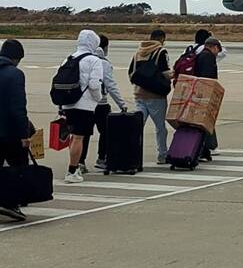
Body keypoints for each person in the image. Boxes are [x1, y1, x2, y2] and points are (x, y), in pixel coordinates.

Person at [61, 30, 104, 183]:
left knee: (73, 137)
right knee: (79, 138)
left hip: (67, 103)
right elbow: (94, 85)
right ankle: (72, 170)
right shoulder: (94, 60)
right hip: (84, 105)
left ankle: (74, 166)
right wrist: (99, 99)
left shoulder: (69, 58)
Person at [129, 29, 172, 165]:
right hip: (156, 96)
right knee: (160, 128)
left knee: (137, 127)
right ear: (162, 39)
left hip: (139, 94)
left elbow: (131, 73)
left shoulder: (138, 51)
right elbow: (165, 72)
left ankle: (132, 154)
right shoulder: (161, 52)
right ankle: (162, 155)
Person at [0, 39, 30, 221]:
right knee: (18, 166)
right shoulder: (15, 74)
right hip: (8, 132)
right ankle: (11, 203)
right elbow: (18, 107)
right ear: (17, 58)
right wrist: (23, 135)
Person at [93, 35, 128, 171]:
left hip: (83, 104)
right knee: (106, 132)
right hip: (101, 104)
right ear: (104, 47)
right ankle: (102, 158)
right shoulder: (103, 63)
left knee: (81, 135)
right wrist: (122, 104)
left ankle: (79, 162)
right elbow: (111, 85)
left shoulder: (79, 59)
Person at [194, 38, 223, 160]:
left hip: (199, 93)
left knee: (205, 121)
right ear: (214, 47)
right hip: (205, 94)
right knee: (206, 121)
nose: (217, 54)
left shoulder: (200, 55)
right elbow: (207, 78)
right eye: (218, 51)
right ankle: (208, 147)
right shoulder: (208, 57)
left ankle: (206, 148)